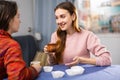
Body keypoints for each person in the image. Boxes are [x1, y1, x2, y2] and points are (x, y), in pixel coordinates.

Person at [44, 1, 112, 67]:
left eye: (62, 16)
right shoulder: (55, 36)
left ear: (73, 16)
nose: (59, 21)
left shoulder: (87, 36)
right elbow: (53, 64)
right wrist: (50, 55)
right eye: (57, 18)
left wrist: (82, 60)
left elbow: (107, 59)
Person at [0, 1, 41, 80]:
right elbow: (17, 77)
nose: (20, 21)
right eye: (18, 16)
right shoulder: (10, 45)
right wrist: (34, 69)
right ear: (8, 18)